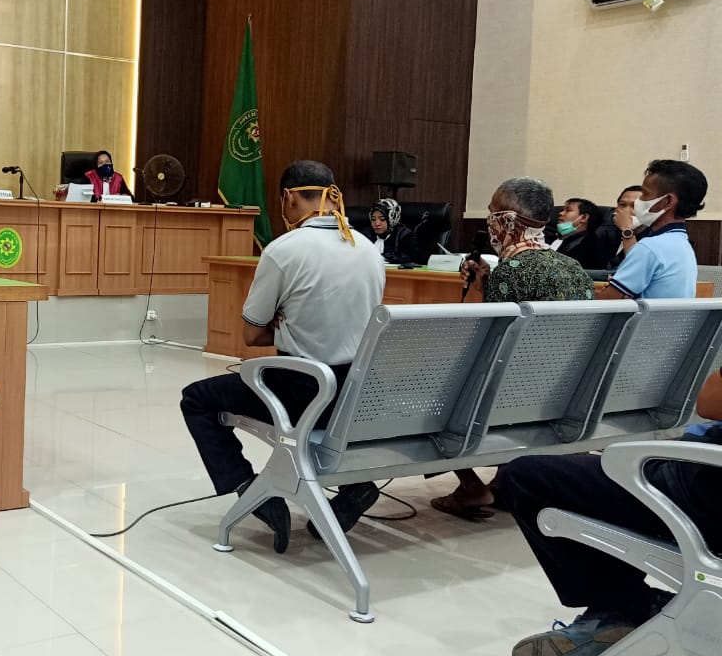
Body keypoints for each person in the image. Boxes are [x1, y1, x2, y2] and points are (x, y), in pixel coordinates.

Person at [180, 161, 386, 553]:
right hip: (355, 397)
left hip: (301, 392)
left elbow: (251, 333)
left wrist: (285, 323)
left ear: (289, 197)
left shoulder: (284, 250)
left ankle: (251, 489)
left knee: (196, 399)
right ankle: (356, 486)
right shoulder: (367, 250)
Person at [501, 366, 722, 656]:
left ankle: (625, 610)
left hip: (702, 489)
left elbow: (710, 401)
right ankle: (638, 611)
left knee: (525, 478)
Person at [431, 177, 594, 519]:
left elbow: (493, 346)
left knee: (433, 382)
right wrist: (487, 284)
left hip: (510, 397)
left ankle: (471, 487)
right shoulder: (574, 269)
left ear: (508, 220)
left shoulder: (513, 271)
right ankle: (504, 482)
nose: (487, 220)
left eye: (492, 211)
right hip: (563, 391)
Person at [600, 160, 707, 301]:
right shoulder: (682, 243)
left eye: (645, 194)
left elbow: (605, 303)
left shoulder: (650, 247)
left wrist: (612, 292)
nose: (639, 201)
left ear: (668, 201)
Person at [550, 197, 609, 270]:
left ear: (584, 217)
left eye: (568, 210)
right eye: (562, 210)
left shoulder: (587, 245)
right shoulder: (551, 237)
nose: (560, 213)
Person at [598, 185, 644, 271]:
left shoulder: (655, 237)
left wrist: (627, 230)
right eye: (622, 205)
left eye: (635, 206)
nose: (626, 211)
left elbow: (637, 268)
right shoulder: (603, 232)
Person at [365, 198, 418, 263]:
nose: (377, 223)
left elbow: (408, 257)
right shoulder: (365, 235)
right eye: (373, 219)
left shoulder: (404, 235)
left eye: (382, 219)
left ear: (392, 219)